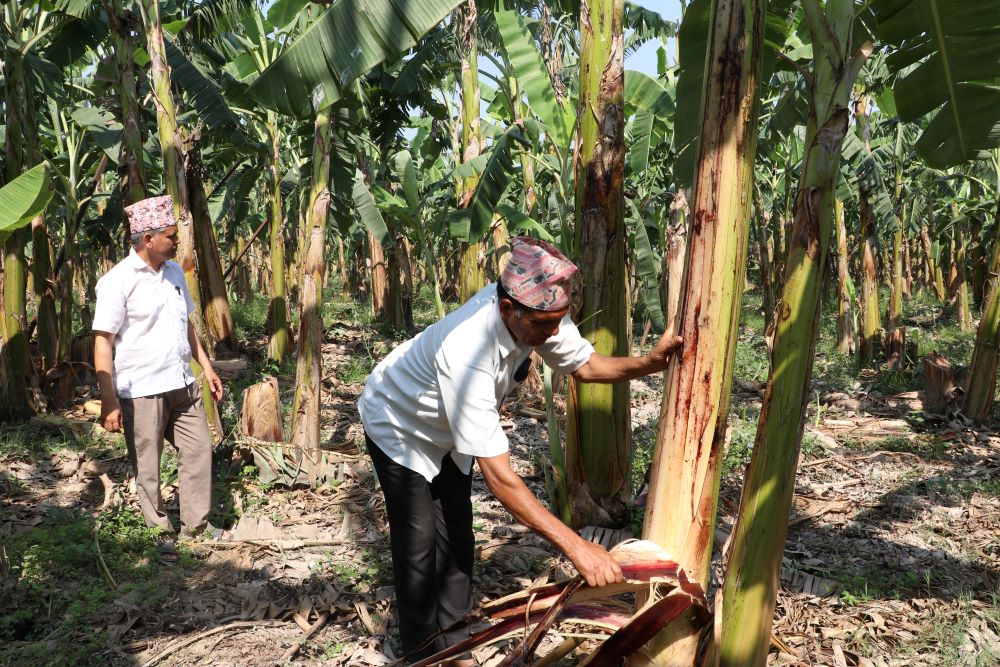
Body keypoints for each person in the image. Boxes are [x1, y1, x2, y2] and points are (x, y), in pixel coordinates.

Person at [357, 237, 683, 662]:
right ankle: (420, 652)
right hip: (398, 423)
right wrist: (576, 547)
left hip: (448, 431)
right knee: (418, 544)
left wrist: (651, 363)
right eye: (545, 325)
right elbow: (500, 479)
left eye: (559, 322)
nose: (553, 334)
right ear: (507, 308)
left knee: (458, 539)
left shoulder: (539, 313)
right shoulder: (468, 351)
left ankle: (455, 643)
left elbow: (586, 366)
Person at [93, 195, 224, 562]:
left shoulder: (175, 272)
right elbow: (102, 342)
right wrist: (109, 399)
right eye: (171, 235)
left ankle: (197, 526)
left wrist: (206, 367)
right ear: (148, 239)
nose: (177, 240)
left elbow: (187, 326)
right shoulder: (117, 281)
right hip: (142, 389)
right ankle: (159, 532)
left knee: (199, 449)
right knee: (148, 466)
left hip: (182, 382)